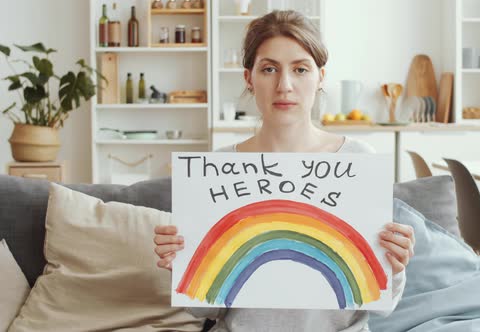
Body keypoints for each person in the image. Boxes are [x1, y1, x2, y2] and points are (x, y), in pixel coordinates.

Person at [154, 10, 415, 332]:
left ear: (320, 76)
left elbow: (382, 303)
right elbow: (202, 312)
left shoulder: (359, 161)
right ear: (249, 77)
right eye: (269, 69)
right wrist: (182, 264)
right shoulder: (217, 170)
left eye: (300, 69)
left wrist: (396, 265)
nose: (285, 85)